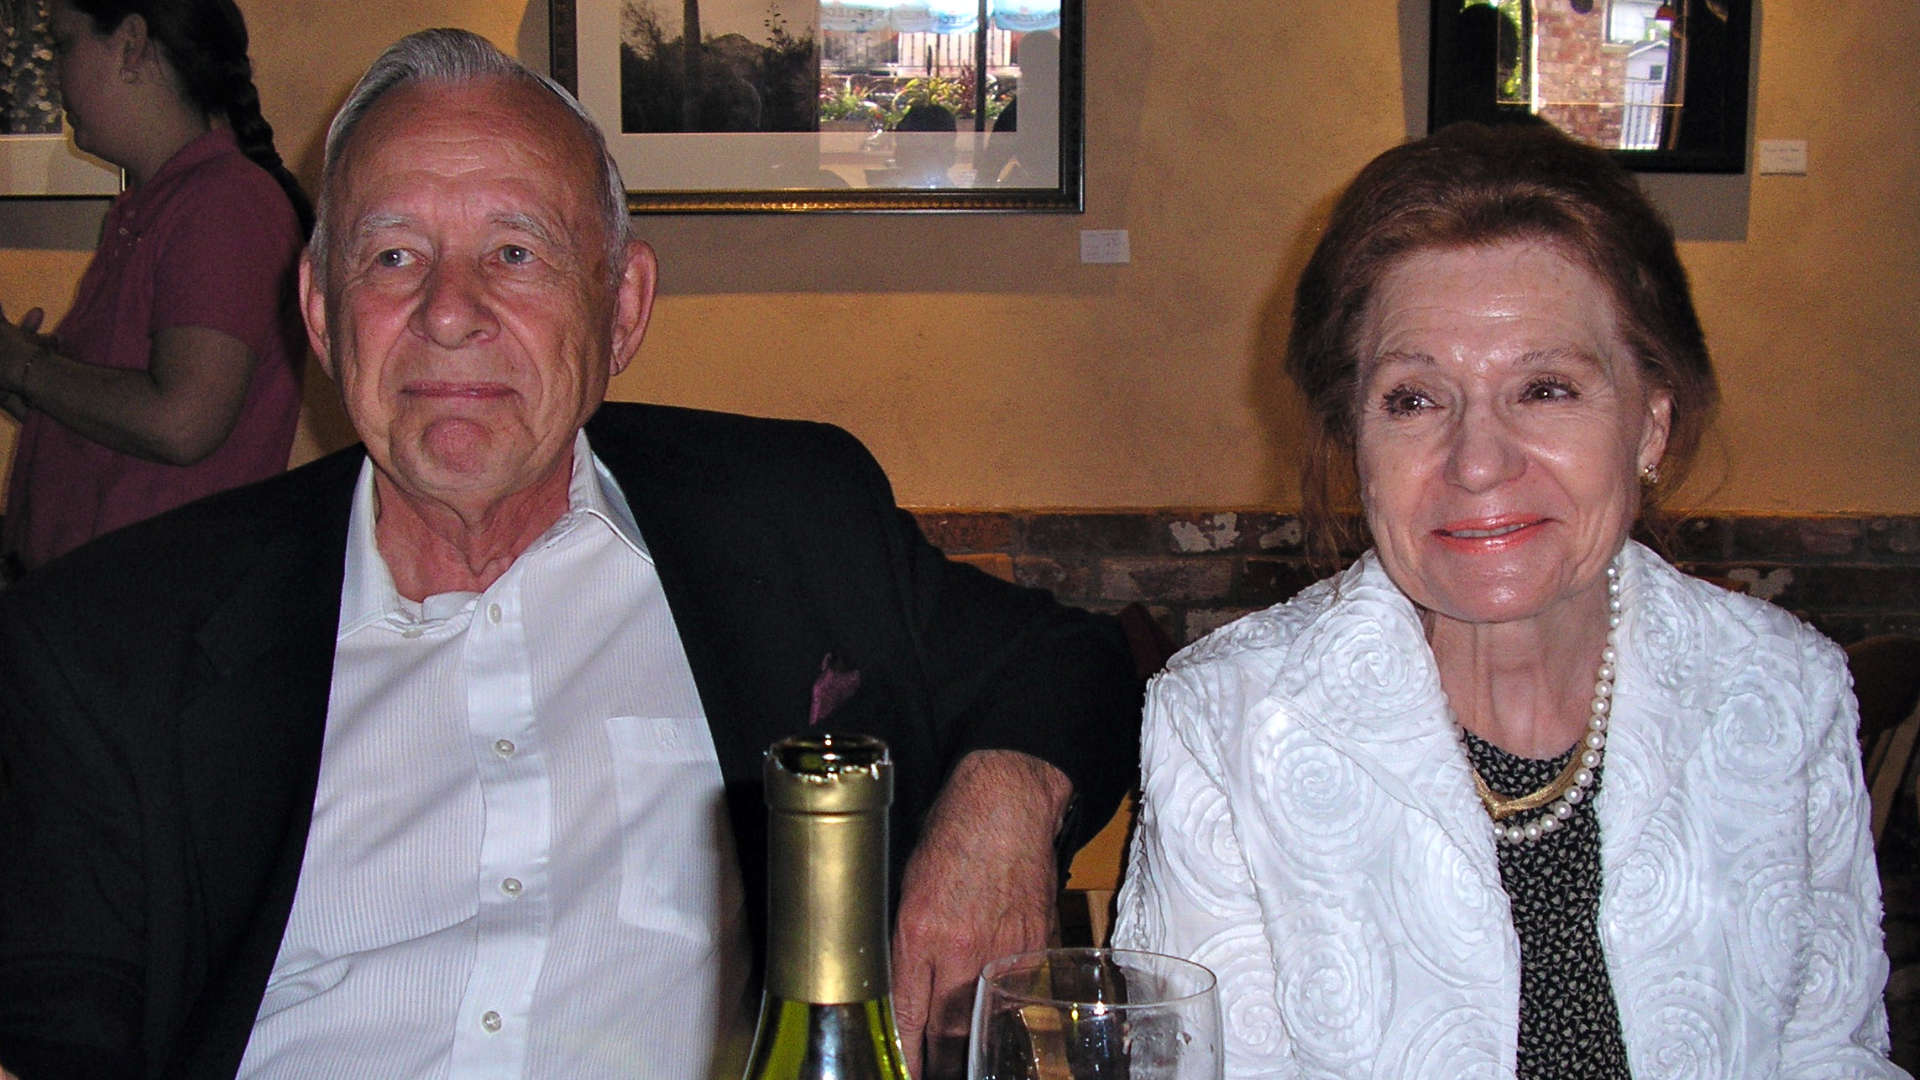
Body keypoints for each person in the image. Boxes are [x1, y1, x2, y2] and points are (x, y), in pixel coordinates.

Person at [0, 28, 1139, 1080]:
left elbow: (1072, 668)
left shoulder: (784, 520)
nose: (450, 313)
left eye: (515, 251)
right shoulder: (115, 641)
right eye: (393, 256)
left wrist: (1002, 800)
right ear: (318, 308)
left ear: (623, 307)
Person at [1113, 122, 1904, 1078]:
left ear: (1651, 424)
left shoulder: (1783, 691)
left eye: (1546, 388)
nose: (1478, 461)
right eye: (1413, 399)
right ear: (1354, 440)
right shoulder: (1228, 725)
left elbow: (1833, 1056)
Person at [0, 0, 307, 579]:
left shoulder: (224, 205)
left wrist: (25, 369)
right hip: (100, 605)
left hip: (148, 614)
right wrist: (17, 371)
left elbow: (183, 421)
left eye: (64, 45)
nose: (51, 73)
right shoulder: (155, 207)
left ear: (132, 43)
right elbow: (115, 429)